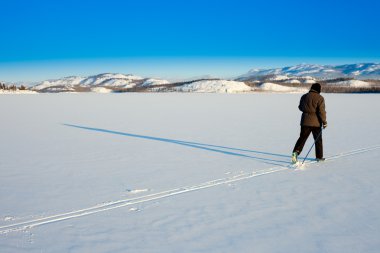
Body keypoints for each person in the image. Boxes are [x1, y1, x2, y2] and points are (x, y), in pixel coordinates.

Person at [292, 83, 327, 163]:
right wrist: (324, 122)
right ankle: (319, 157)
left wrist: (307, 111)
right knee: (318, 140)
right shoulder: (320, 98)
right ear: (318, 89)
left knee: (302, 139)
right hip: (316, 123)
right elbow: (322, 112)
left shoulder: (304, 96)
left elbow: (300, 107)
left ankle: (295, 153)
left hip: (305, 121)